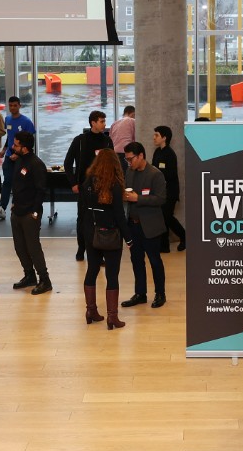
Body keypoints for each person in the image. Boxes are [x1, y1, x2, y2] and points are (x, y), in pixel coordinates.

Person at [80, 149, 132, 329]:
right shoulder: (115, 185)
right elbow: (119, 215)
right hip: (111, 235)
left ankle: (90, 310)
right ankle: (112, 317)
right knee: (112, 274)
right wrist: (129, 239)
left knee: (92, 270)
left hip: (90, 234)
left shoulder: (87, 182)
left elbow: (83, 211)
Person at [121, 141, 168, 309]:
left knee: (155, 261)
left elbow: (161, 199)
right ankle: (140, 293)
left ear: (140, 156)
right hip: (133, 226)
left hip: (151, 226)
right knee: (136, 260)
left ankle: (160, 293)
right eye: (126, 159)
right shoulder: (129, 172)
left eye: (130, 159)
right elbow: (126, 190)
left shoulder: (155, 174)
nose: (129, 162)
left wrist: (138, 198)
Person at [65, 110, 113, 260]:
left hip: (102, 187)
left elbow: (112, 164)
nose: (104, 125)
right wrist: (73, 183)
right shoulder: (80, 140)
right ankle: (81, 248)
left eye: (105, 121)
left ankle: (102, 249)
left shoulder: (107, 141)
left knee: (103, 218)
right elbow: (67, 163)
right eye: (102, 121)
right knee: (83, 218)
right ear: (93, 122)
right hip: (84, 187)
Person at [8, 131, 51, 295]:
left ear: (24, 147)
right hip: (17, 211)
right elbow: (18, 186)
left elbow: (41, 191)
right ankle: (29, 275)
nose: (13, 147)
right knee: (20, 247)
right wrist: (13, 204)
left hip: (29, 214)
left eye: (16, 144)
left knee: (33, 248)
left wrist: (34, 211)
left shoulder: (36, 164)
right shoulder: (19, 160)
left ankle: (45, 280)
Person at [0, 96, 34, 220]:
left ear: (20, 106)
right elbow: (10, 139)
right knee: (7, 181)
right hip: (9, 157)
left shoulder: (26, 122)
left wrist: (20, 154)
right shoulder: (8, 119)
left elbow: (30, 142)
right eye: (10, 105)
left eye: (15, 105)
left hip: (21, 158)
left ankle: (18, 207)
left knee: (20, 182)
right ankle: (2, 208)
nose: (13, 108)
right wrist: (4, 150)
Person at [152, 125, 186, 253]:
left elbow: (170, 174)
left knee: (167, 217)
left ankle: (184, 236)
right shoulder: (157, 152)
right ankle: (164, 246)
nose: (154, 138)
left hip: (170, 192)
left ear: (164, 138)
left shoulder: (170, 154)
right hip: (160, 191)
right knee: (163, 217)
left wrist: (159, 173)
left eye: (157, 135)